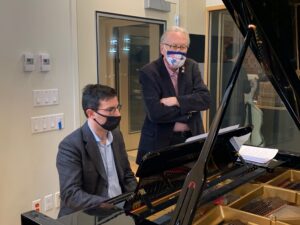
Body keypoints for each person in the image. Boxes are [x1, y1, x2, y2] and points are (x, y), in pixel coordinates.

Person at [56, 84, 137, 217]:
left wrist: (137, 195)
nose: (117, 114)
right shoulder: (70, 145)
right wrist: (110, 204)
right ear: (91, 113)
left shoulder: (116, 135)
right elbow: (71, 194)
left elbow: (127, 174)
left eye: (117, 107)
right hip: (88, 215)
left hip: (119, 210)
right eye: (110, 110)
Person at [136, 26, 211, 164]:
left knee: (191, 181)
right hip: (161, 141)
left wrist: (176, 101)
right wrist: (189, 110)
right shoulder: (149, 72)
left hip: (192, 137)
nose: (178, 51)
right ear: (162, 48)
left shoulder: (191, 66)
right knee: (162, 183)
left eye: (182, 47)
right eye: (173, 46)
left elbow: (205, 99)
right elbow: (155, 112)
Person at [221, 43, 251, 128]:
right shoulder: (240, 69)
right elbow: (247, 89)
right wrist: (251, 84)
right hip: (236, 108)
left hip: (222, 108)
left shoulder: (221, 67)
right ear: (237, 54)